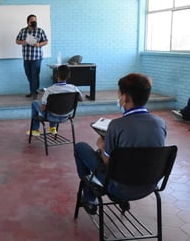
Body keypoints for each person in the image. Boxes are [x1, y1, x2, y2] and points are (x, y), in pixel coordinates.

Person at [74, 73, 166, 214]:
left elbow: (107, 162)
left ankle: (90, 194)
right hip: (149, 185)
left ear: (124, 97)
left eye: (119, 95)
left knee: (81, 147)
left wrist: (102, 144)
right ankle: (108, 195)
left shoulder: (116, 126)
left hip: (120, 187)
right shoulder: (160, 123)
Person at [26, 64, 83, 136]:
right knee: (56, 106)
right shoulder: (74, 88)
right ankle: (53, 128)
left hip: (51, 117)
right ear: (69, 76)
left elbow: (43, 108)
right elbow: (81, 99)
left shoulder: (50, 90)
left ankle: (35, 129)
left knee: (35, 103)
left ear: (56, 76)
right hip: (67, 116)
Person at [16, 14, 48, 100]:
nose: (34, 22)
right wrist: (22, 42)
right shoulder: (23, 31)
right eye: (32, 21)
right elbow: (17, 41)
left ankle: (34, 93)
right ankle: (32, 91)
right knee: (29, 75)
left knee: (35, 76)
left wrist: (39, 44)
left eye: (35, 21)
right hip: (26, 57)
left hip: (36, 58)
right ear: (28, 22)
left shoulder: (40, 31)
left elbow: (45, 41)